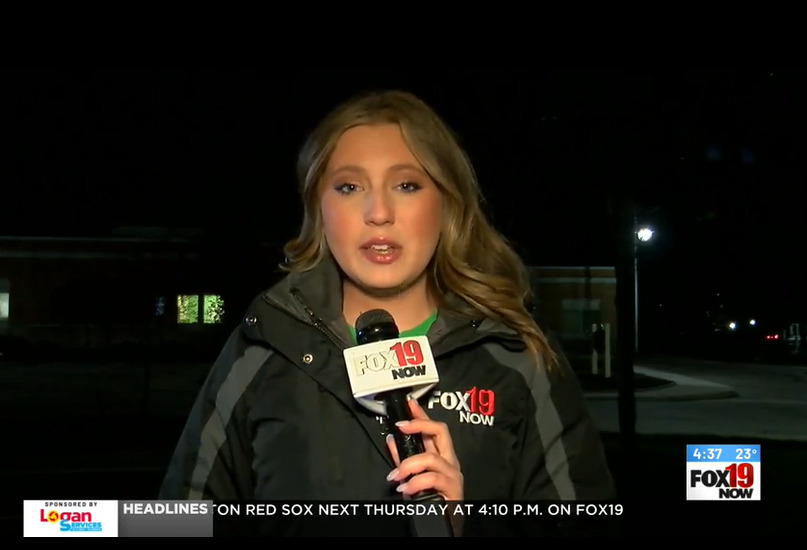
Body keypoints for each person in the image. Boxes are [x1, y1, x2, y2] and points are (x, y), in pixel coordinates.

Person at [158, 89, 617, 536]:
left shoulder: (517, 356)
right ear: (318, 208)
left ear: (447, 203)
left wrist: (468, 523)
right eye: (349, 186)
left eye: (406, 185)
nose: (378, 212)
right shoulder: (264, 346)